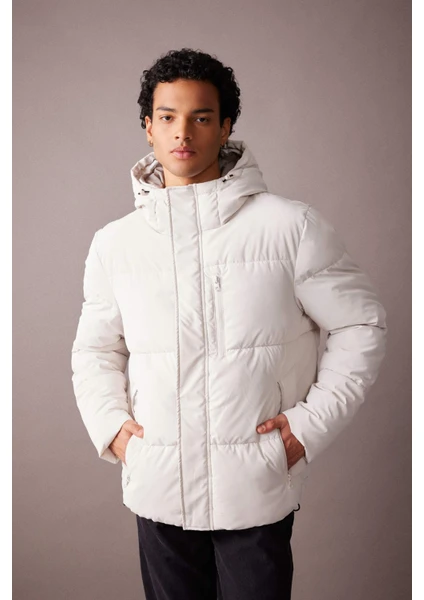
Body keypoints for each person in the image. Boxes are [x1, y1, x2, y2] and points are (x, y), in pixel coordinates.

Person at [71, 47, 388, 600]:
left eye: (201, 117)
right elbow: (96, 350)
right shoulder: (115, 244)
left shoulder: (290, 227)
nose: (182, 132)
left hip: (255, 486)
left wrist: (308, 427)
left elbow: (362, 325)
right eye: (167, 116)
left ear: (225, 128)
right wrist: (114, 430)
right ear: (148, 127)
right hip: (158, 486)